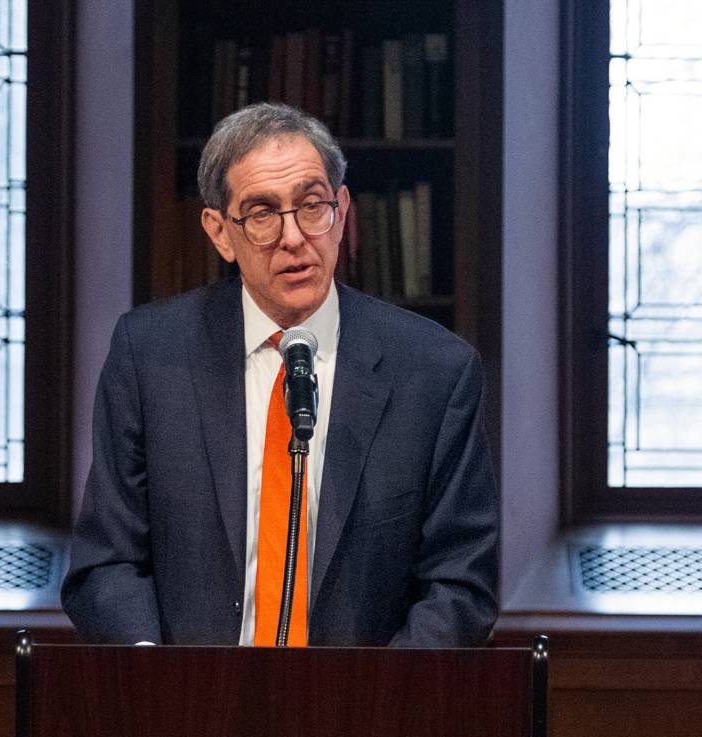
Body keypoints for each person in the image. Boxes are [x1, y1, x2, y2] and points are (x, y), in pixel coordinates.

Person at [63, 103, 498, 647]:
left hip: (365, 712)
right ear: (221, 233)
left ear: (341, 211)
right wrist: (159, 687)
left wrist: (380, 707)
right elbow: (106, 563)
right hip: (188, 708)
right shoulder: (150, 355)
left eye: (312, 205)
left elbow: (460, 587)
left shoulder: (435, 372)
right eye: (263, 213)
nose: (294, 237)